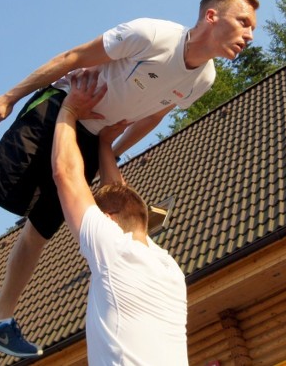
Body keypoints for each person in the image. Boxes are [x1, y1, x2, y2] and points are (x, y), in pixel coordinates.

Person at [0, 0, 258, 358]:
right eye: (243, 22)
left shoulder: (204, 79)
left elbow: (153, 116)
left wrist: (106, 151)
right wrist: (9, 97)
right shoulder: (153, 35)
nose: (249, 34)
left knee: (39, 231)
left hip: (91, 139)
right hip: (59, 108)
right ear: (212, 16)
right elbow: (73, 56)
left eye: (252, 28)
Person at [52, 70, 188, 364]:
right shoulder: (166, 266)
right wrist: (104, 145)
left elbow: (65, 174)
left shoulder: (116, 253)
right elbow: (121, 196)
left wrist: (69, 109)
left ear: (110, 222)